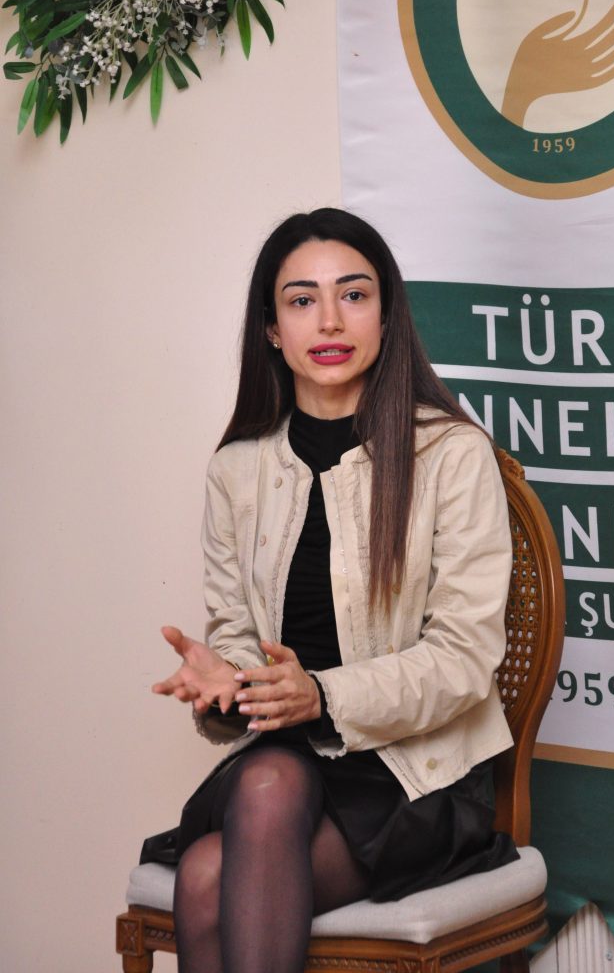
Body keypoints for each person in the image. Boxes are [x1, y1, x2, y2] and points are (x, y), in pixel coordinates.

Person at [150, 208, 518, 973]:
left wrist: (320, 695)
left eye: (353, 295)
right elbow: (238, 637)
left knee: (212, 871)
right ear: (270, 328)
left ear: (386, 314)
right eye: (301, 300)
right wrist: (228, 686)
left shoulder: (451, 455)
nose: (329, 320)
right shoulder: (236, 469)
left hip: (418, 774)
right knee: (264, 787)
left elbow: (465, 658)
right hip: (285, 767)